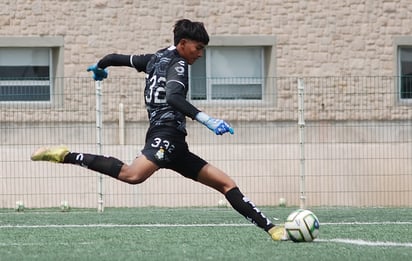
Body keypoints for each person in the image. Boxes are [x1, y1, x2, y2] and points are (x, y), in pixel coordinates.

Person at [31, 19, 287, 241]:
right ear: (183, 43)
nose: (200, 54)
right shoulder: (179, 65)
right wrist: (207, 119)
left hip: (175, 144)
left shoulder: (153, 59)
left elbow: (113, 57)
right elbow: (174, 97)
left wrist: (100, 68)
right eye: (198, 48)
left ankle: (273, 229)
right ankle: (65, 155)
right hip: (165, 137)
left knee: (226, 184)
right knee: (132, 175)